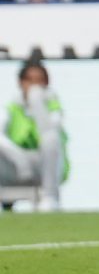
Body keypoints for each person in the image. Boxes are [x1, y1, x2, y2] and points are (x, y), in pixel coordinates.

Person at [0, 61, 63, 211]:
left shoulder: (54, 108)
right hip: (16, 165)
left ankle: (50, 198)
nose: (35, 86)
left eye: (39, 81)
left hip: (43, 166)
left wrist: (37, 103)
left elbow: (49, 132)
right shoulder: (11, 108)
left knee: (51, 139)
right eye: (30, 80)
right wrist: (19, 159)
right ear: (21, 82)